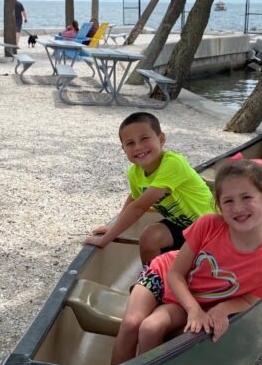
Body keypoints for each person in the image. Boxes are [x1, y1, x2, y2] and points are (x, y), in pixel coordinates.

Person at [109, 158, 262, 365]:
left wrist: (222, 309)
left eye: (246, 197)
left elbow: (247, 300)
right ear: (219, 205)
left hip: (188, 299)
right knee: (131, 324)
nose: (238, 208)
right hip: (161, 276)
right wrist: (194, 310)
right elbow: (174, 273)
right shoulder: (208, 225)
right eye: (228, 201)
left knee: (150, 328)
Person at [85, 112, 216, 266]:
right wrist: (113, 227)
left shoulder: (173, 164)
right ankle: (153, 282)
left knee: (197, 266)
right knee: (149, 237)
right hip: (182, 226)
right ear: (123, 149)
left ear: (161, 139)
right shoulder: (134, 172)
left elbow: (139, 207)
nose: (138, 147)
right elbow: (133, 199)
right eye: (130, 143)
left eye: (144, 138)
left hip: (211, 230)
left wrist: (105, 240)